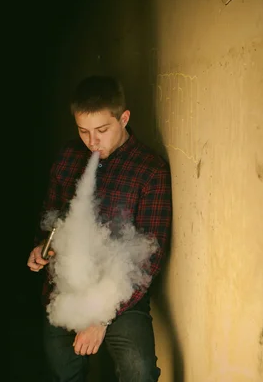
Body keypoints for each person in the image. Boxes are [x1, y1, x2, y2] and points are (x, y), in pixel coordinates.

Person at [27, 75, 172, 381]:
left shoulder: (150, 171)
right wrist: (43, 247)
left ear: (124, 118)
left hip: (122, 295)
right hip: (66, 288)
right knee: (62, 372)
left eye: (102, 131)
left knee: (140, 372)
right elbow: (50, 216)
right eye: (83, 131)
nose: (92, 142)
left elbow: (149, 258)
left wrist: (101, 318)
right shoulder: (68, 158)